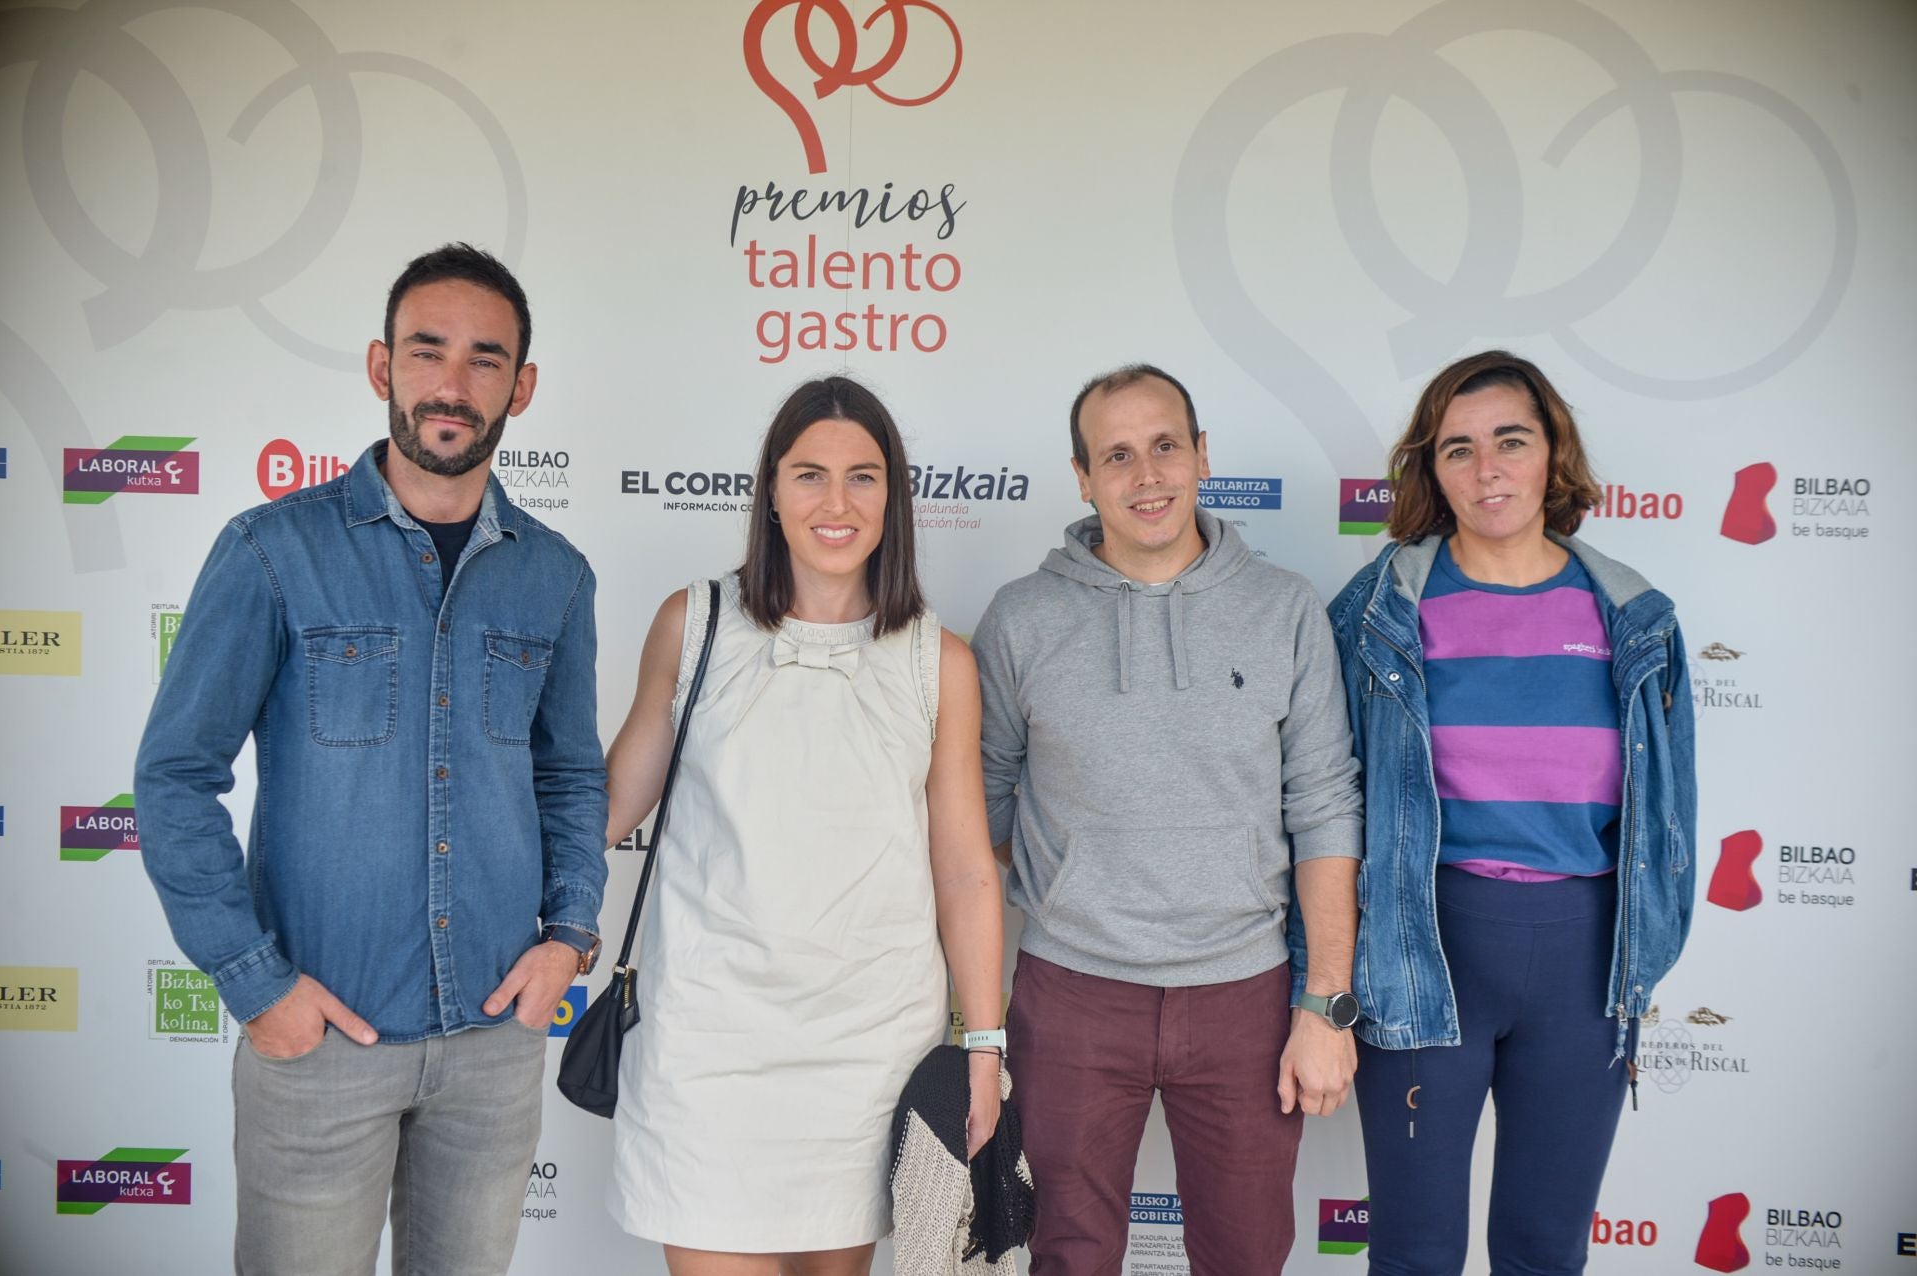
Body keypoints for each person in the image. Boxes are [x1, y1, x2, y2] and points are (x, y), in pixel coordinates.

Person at [134, 243, 607, 1275]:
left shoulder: (558, 579)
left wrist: (570, 932)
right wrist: (256, 984)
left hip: (491, 1047)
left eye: (486, 360)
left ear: (521, 387)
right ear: (379, 366)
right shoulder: (271, 549)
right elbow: (175, 776)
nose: (452, 382)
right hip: (320, 1042)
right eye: (426, 350)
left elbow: (570, 773)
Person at [602, 375, 1005, 1276]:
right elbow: (609, 803)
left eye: (863, 477)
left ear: (894, 498)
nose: (836, 502)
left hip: (868, 1047)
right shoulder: (693, 623)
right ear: (771, 492)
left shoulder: (939, 662)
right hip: (708, 1039)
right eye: (809, 474)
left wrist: (983, 1045)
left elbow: (968, 872)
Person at [969, 364, 1365, 1274]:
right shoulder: (1023, 619)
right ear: (1082, 478)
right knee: (1067, 1256)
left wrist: (1326, 1002)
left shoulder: (1285, 609)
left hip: (1246, 996)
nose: (1145, 475)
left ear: (1201, 456)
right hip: (1070, 991)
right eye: (1116, 455)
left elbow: (1325, 808)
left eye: (1164, 447)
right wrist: (1077, 883)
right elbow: (983, 805)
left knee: (1246, 1255)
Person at [1328, 350, 1696, 1276]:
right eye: (1458, 449)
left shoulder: (1636, 618)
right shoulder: (1375, 613)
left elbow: (1671, 819)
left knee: (1544, 1250)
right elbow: (1324, 803)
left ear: (1551, 454)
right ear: (1430, 469)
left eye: (1510, 441)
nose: (1486, 469)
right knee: (1413, 1253)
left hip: (1583, 958)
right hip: (1424, 950)